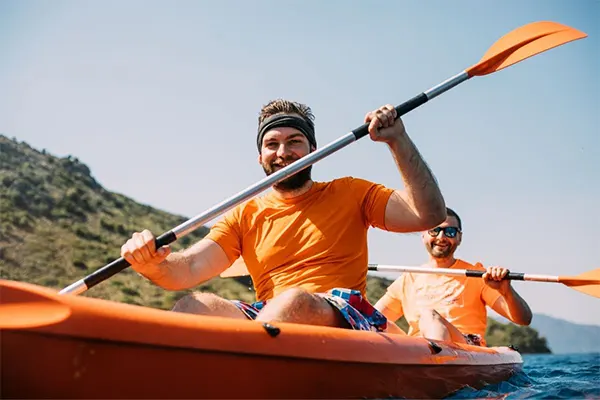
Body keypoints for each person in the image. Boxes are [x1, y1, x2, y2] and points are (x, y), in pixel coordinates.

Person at [120, 99, 446, 332]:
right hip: (269, 318)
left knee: (292, 302)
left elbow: (428, 214)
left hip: (345, 312)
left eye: (295, 142)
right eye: (272, 144)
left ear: (313, 150)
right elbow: (188, 268)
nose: (282, 153)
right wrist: (152, 264)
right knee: (193, 307)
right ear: (260, 156)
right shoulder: (244, 214)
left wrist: (398, 141)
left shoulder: (352, 192)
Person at [375, 208, 533, 344]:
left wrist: (507, 291)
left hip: (465, 347)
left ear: (459, 238)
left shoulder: (478, 275)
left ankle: (435, 366)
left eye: (450, 231)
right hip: (417, 349)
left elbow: (523, 319)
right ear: (423, 235)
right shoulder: (408, 278)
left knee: (429, 315)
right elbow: (371, 317)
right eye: (434, 230)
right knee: (368, 318)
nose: (441, 237)